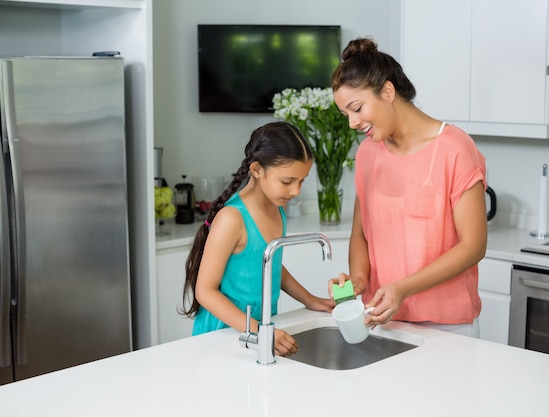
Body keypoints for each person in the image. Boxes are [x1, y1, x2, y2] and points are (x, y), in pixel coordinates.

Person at [328, 37, 488, 337]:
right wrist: (359, 281)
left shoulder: (454, 149)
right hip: (382, 320)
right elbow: (361, 234)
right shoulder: (367, 154)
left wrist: (403, 288)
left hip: (447, 327)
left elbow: (473, 246)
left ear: (387, 91)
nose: (352, 122)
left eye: (357, 108)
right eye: (345, 114)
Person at [182, 122, 334, 356]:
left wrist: (309, 299)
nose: (295, 191)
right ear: (256, 170)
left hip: (259, 330)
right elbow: (205, 291)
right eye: (287, 181)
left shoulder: (277, 208)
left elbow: (268, 264)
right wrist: (260, 331)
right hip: (224, 332)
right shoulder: (232, 219)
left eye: (301, 181)